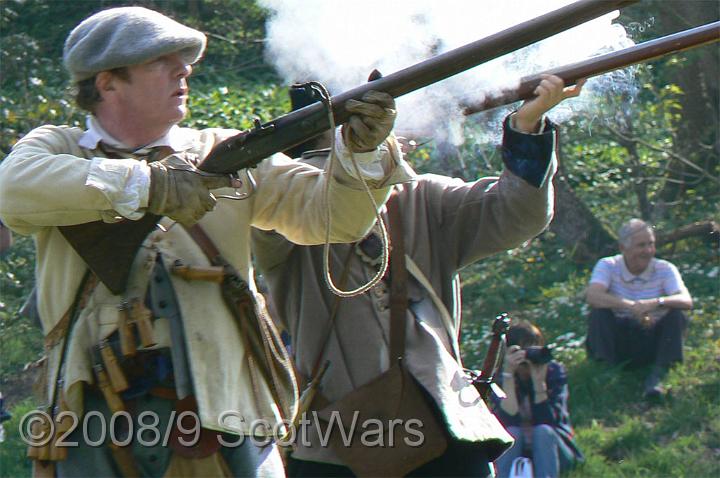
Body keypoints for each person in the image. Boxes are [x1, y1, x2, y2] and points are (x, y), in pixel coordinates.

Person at [0, 6, 412, 477]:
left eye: (183, 60)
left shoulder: (222, 148)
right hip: (93, 411)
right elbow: (12, 191)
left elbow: (334, 218)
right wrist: (150, 186)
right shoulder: (56, 148)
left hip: (227, 409)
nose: (184, 70)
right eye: (160, 61)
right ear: (107, 82)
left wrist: (363, 152)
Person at [252, 75, 585, 476]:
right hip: (339, 441)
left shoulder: (422, 197)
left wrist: (526, 129)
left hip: (443, 420)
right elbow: (324, 199)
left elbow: (516, 213)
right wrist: (361, 156)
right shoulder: (282, 205)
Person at [585, 218, 693, 398]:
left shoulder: (665, 268)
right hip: (619, 339)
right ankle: (606, 373)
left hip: (652, 339)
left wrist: (654, 303)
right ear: (623, 248)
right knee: (598, 312)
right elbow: (592, 296)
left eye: (651, 244)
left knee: (677, 314)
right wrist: (630, 306)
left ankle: (659, 374)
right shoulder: (608, 266)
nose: (648, 251)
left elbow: (686, 300)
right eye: (641, 245)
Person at [492, 321, 583, 478]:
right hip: (518, 450)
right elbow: (509, 419)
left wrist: (539, 382)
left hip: (555, 450)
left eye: (534, 348)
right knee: (512, 433)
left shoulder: (554, 371)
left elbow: (548, 420)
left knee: (543, 432)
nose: (528, 356)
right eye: (524, 350)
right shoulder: (501, 377)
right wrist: (508, 375)